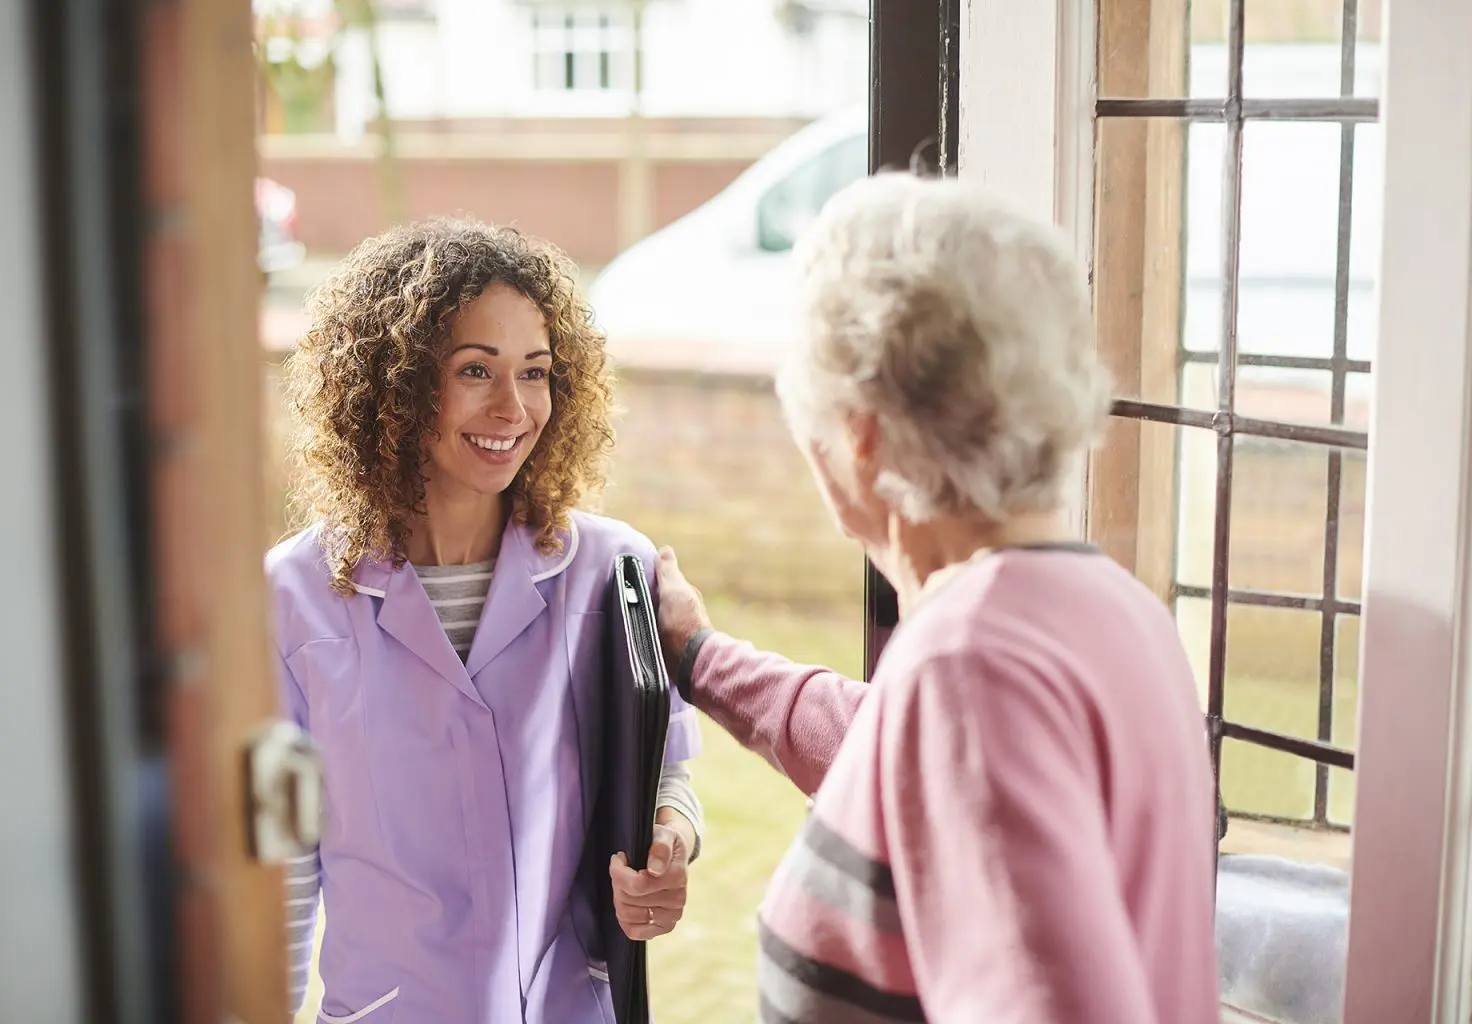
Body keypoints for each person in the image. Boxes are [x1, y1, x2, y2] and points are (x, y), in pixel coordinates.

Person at [653, 173, 1220, 1023]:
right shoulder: (1109, 611)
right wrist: (701, 656)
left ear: (860, 436)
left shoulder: (968, 665)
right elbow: (908, 761)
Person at [267, 219, 704, 1023]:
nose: (513, 407)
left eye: (535, 373)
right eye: (475, 370)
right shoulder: (294, 595)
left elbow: (664, 773)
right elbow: (282, 869)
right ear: (393, 386)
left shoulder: (612, 571)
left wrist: (670, 845)